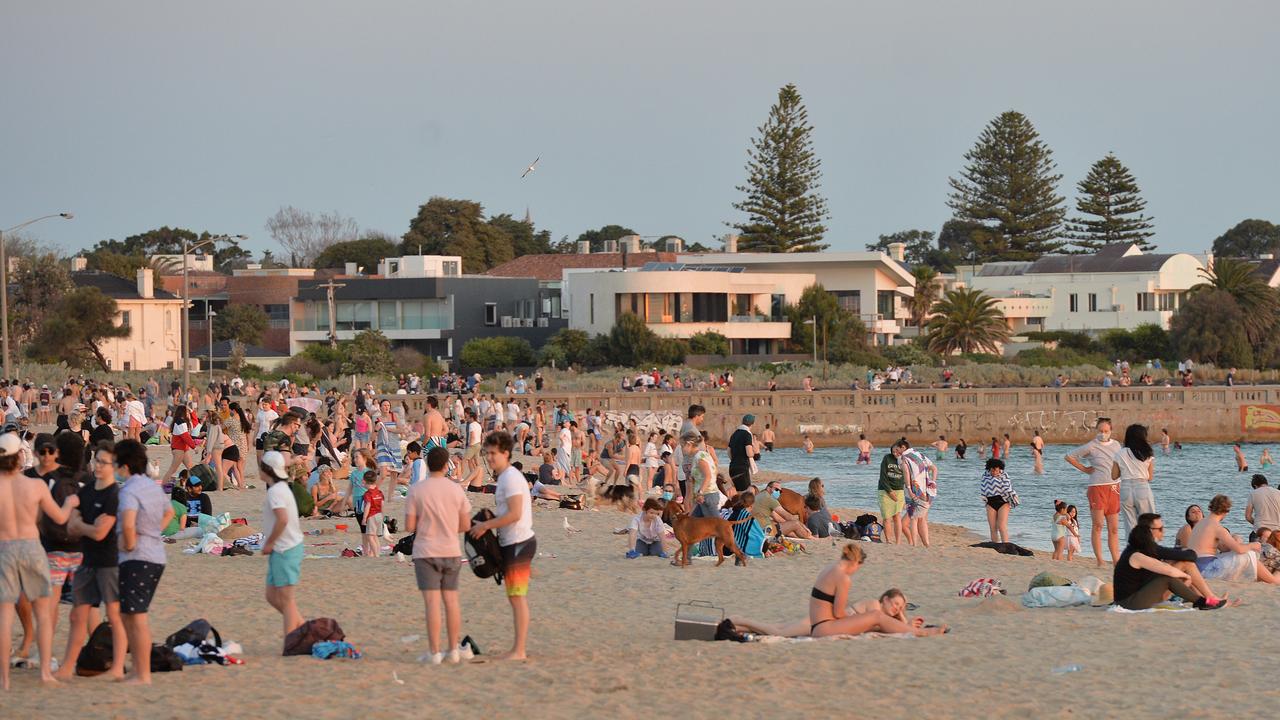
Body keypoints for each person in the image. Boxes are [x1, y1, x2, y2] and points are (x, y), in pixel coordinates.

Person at [0, 432, 79, 689]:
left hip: (5, 549)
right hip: (32, 547)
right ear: (20, 456)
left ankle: (5, 678)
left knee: (5, 614)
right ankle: (45, 672)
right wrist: (70, 503)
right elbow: (58, 517)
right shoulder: (34, 485)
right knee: (43, 613)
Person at [55, 441, 127, 681]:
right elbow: (72, 527)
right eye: (96, 460)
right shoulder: (86, 491)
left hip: (109, 562)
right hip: (86, 561)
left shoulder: (115, 494)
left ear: (114, 466)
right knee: (77, 615)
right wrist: (86, 526)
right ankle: (67, 666)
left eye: (103, 462)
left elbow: (100, 533)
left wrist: (83, 526)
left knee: (115, 616)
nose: (97, 466)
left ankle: (117, 667)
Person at [469, 431, 534, 661]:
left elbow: (515, 514)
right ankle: (518, 648)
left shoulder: (510, 477)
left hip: (519, 542)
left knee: (517, 597)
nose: (489, 458)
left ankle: (519, 650)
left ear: (506, 453)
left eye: (493, 454)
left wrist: (487, 525)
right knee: (514, 596)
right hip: (512, 542)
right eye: (487, 453)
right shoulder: (506, 477)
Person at [405, 447, 472, 664]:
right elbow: (465, 525)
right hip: (450, 550)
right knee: (451, 601)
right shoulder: (456, 490)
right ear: (446, 466)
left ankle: (434, 652)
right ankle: (453, 650)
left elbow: (409, 526)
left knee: (432, 603)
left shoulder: (417, 490)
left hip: (425, 551)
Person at [115, 438, 172, 685]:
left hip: (137, 557)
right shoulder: (151, 485)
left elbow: (128, 525)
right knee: (131, 615)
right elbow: (168, 512)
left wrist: (128, 543)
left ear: (124, 466)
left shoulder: (129, 490)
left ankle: (143, 673)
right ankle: (138, 669)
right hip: (154, 556)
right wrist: (153, 531)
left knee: (136, 618)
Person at [807, 544, 946, 638]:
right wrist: (858, 619)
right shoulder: (843, 577)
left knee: (875, 623)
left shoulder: (829, 568)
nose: (855, 571)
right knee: (876, 616)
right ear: (855, 562)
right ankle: (922, 632)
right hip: (826, 628)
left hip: (818, 626)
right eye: (858, 568)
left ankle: (908, 628)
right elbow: (839, 613)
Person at [1113, 513, 1228, 611]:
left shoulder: (1140, 550)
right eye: (1160, 529)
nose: (1163, 531)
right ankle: (1202, 601)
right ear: (1148, 532)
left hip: (1140, 594)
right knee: (1168, 576)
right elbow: (1169, 571)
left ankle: (1206, 599)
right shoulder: (1137, 555)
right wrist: (1186, 576)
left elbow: (1163, 566)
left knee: (1181, 565)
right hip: (1129, 602)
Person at [732, 587, 929, 638]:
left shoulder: (881, 612)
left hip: (826, 620)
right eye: (895, 604)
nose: (896, 609)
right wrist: (904, 620)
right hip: (826, 621)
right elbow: (893, 628)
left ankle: (737, 626)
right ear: (885, 599)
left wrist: (902, 614)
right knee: (780, 632)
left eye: (900, 607)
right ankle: (741, 619)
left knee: (778, 629)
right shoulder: (875, 606)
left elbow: (895, 627)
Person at [259, 451, 305, 639]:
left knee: (286, 600)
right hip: (281, 549)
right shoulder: (277, 488)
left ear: (268, 470)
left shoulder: (277, 491)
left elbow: (282, 520)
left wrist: (269, 543)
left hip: (286, 548)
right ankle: (304, 628)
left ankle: (292, 640)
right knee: (271, 595)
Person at [1065, 417, 1122, 567]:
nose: (1103, 433)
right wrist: (1085, 469)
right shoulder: (1091, 446)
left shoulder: (1116, 445)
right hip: (1097, 487)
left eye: (1106, 431)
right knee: (1098, 525)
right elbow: (1069, 456)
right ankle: (1100, 559)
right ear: (1097, 430)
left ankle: (1116, 559)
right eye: (1100, 431)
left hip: (1114, 487)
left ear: (1111, 431)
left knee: (1114, 528)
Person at [1188, 495, 1279, 584]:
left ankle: (1262, 577)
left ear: (1211, 507)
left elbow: (1223, 548)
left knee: (1241, 554)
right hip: (1207, 569)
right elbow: (1239, 549)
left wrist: (1235, 540)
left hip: (1196, 566)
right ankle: (1274, 580)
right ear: (1226, 511)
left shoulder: (1201, 523)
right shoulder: (1217, 527)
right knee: (1248, 554)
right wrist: (1253, 545)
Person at [1112, 424, 1156, 539]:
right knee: (1148, 523)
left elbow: (1114, 476)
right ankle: (1148, 551)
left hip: (1125, 488)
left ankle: (1132, 553)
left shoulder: (1120, 453)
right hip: (1142, 487)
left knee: (1130, 525)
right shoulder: (1147, 453)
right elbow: (1150, 477)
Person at [898, 439, 937, 547]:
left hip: (915, 490)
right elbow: (934, 468)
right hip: (928, 491)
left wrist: (909, 489)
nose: (897, 451)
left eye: (897, 449)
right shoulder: (920, 455)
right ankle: (926, 545)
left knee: (914, 518)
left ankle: (914, 544)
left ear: (902, 448)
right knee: (922, 519)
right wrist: (932, 481)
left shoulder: (904, 458)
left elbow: (906, 473)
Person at [980, 458, 1014, 544]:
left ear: (1000, 469)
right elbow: (984, 489)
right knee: (992, 527)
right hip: (990, 503)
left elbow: (1008, 488)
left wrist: (1012, 497)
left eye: (996, 470)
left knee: (1002, 526)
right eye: (992, 470)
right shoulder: (985, 476)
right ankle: (995, 546)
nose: (994, 472)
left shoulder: (1005, 476)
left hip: (1003, 502)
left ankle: (1006, 545)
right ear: (989, 469)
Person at [877, 442, 906, 544]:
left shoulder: (905, 460)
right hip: (884, 490)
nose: (895, 453)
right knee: (887, 517)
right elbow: (883, 476)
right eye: (893, 451)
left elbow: (908, 478)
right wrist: (889, 491)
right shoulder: (887, 458)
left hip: (899, 491)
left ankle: (898, 541)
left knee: (897, 516)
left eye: (897, 451)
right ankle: (888, 540)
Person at [727, 414, 757, 492]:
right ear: (752, 424)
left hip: (732, 467)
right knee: (746, 493)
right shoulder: (747, 434)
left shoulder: (735, 434)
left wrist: (735, 459)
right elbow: (749, 453)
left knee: (737, 492)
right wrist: (754, 453)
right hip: (742, 468)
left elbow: (728, 451)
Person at [361, 472, 385, 558]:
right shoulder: (379, 492)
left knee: (370, 537)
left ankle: (376, 554)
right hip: (379, 515)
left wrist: (364, 518)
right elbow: (382, 504)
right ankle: (378, 552)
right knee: (375, 537)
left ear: (364, 481)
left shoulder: (368, 494)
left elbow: (368, 506)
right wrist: (382, 515)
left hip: (372, 516)